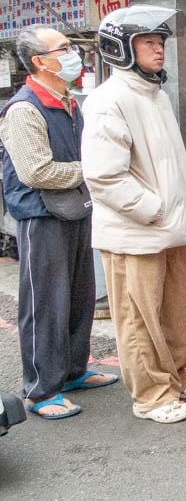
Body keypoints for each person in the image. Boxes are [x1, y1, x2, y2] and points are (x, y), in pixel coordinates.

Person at [81, 5, 186, 425]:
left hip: (170, 229)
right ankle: (151, 396)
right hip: (135, 233)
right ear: (120, 48)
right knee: (138, 321)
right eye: (149, 42)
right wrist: (154, 210)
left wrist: (182, 210)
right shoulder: (108, 100)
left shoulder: (155, 97)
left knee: (174, 313)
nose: (159, 49)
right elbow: (103, 176)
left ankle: (176, 375)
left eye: (160, 42)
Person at [0, 26, 118, 420]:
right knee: (45, 303)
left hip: (75, 207)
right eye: (64, 48)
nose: (74, 54)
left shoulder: (68, 101)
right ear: (39, 61)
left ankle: (71, 371)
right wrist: (92, 170)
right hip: (41, 214)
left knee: (79, 295)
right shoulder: (24, 108)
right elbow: (36, 171)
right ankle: (40, 388)